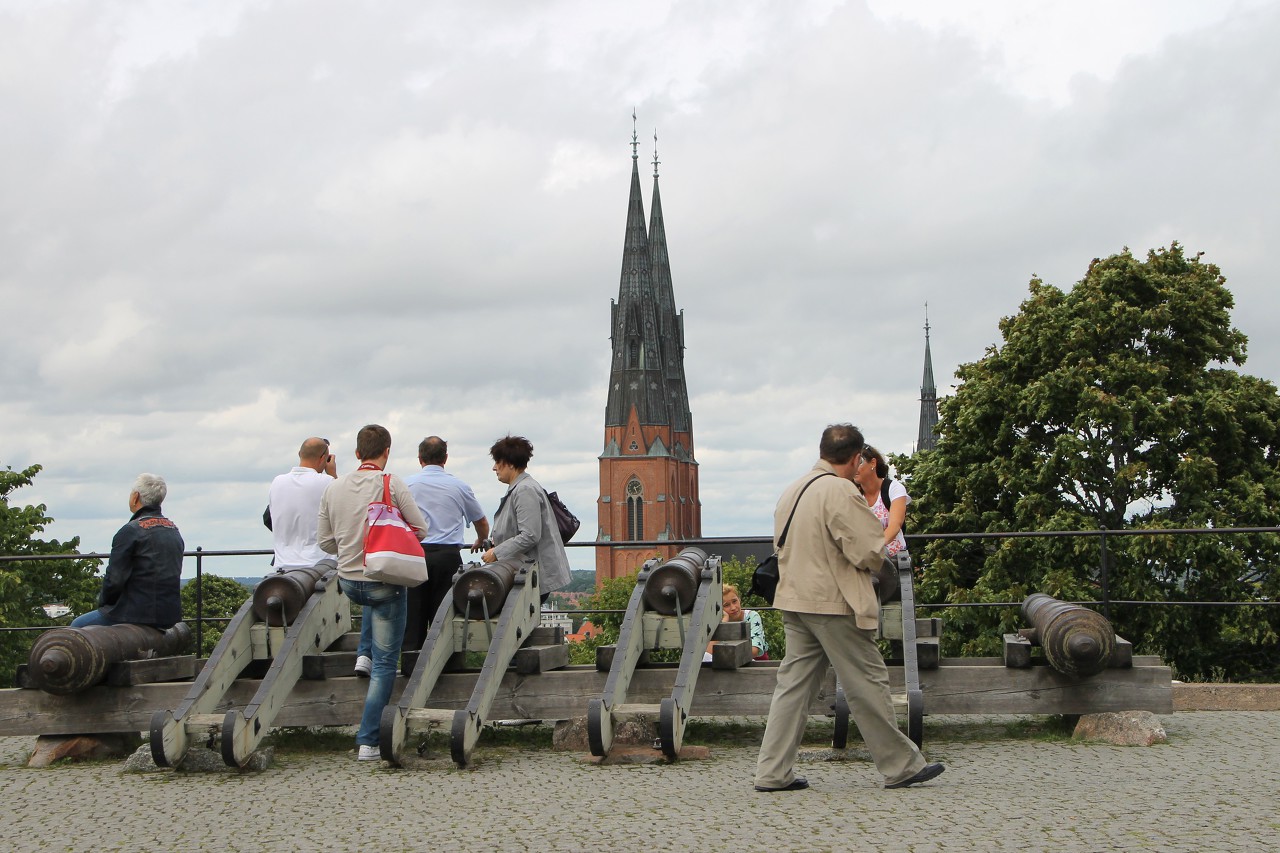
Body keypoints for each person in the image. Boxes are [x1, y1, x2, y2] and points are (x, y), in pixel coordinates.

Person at [754, 424, 943, 792]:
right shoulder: (841, 492)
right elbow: (869, 550)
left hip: (795, 599)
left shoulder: (793, 489)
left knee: (792, 688)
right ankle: (900, 765)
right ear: (857, 459)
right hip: (834, 603)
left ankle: (772, 772)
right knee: (868, 683)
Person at [317, 424, 428, 761]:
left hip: (350, 583)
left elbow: (324, 542)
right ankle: (368, 741)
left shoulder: (333, 489)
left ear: (356, 453)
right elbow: (421, 528)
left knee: (371, 603)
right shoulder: (389, 482)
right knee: (384, 666)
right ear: (387, 452)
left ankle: (362, 652)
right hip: (383, 584)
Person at [402, 435, 490, 649]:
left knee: (413, 616)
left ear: (420, 458)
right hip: (447, 556)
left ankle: (411, 665)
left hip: (415, 554)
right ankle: (447, 667)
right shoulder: (459, 486)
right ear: (445, 458)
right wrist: (481, 538)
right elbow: (481, 521)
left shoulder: (407, 485)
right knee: (445, 617)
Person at [71, 474, 184, 630]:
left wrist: (104, 604)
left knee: (77, 626)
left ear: (135, 497)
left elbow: (114, 580)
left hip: (136, 614)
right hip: (169, 614)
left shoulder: (130, 531)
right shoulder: (173, 530)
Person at [479, 435, 570, 600]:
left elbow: (530, 535)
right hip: (525, 571)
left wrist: (496, 552)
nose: (494, 468)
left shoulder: (524, 490)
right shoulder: (522, 487)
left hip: (530, 574)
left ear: (511, 464)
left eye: (498, 462)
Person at [267, 437, 337, 569]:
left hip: (283, 566)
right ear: (324, 458)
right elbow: (345, 507)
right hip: (320, 565)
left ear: (299, 454)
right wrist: (332, 475)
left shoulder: (277, 482)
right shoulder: (328, 482)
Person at [857, 445, 910, 556]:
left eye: (859, 462)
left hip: (892, 558)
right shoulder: (852, 494)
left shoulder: (893, 488)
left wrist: (874, 548)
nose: (854, 467)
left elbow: (895, 525)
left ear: (873, 463)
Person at [706, 583, 769, 661]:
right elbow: (708, 653)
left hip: (755, 662)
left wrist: (726, 655)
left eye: (734, 601)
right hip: (727, 662)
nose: (733, 607)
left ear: (739, 599)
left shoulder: (752, 616)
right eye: (726, 605)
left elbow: (754, 650)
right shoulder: (716, 621)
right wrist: (724, 621)